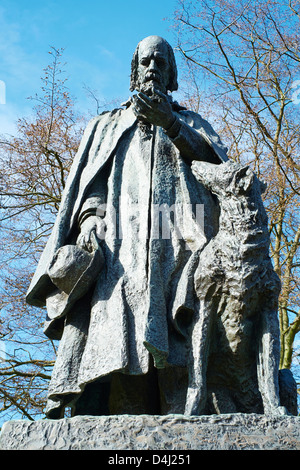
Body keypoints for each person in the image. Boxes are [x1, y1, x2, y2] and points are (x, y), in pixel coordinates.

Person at [26, 36, 228, 418]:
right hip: (122, 250)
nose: (153, 67)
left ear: (171, 75)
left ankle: (188, 419)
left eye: (161, 63)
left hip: (181, 242)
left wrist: (169, 123)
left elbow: (219, 171)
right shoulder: (106, 126)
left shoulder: (191, 124)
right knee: (123, 339)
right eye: (146, 61)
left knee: (182, 336)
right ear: (135, 71)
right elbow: (92, 187)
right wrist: (88, 221)